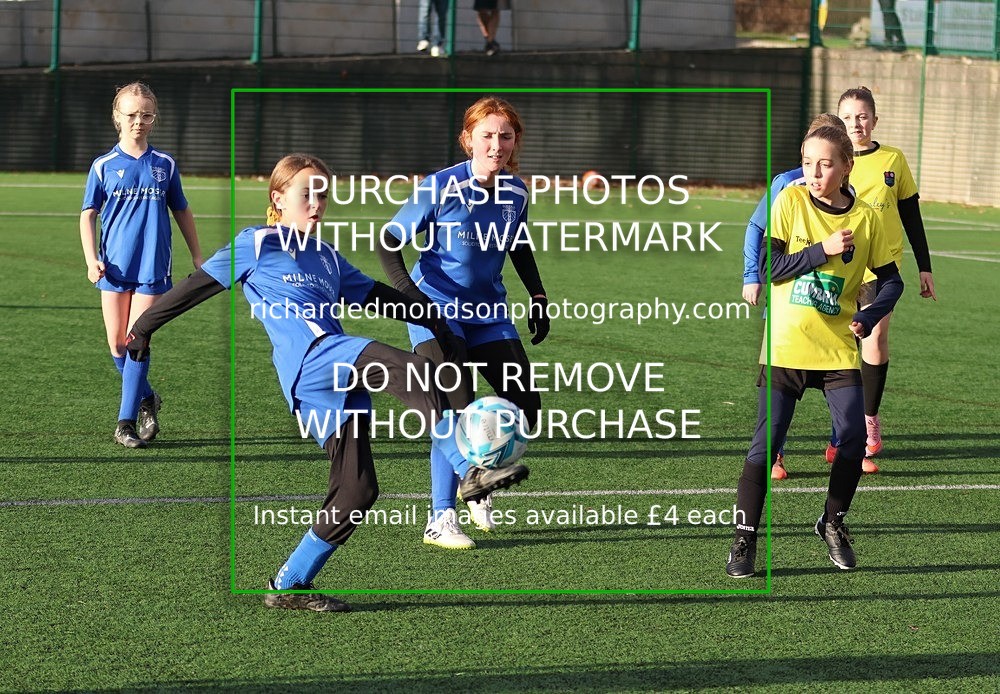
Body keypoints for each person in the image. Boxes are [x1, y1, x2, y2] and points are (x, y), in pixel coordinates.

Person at [125, 153, 530, 612]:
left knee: (358, 491)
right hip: (311, 361)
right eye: (305, 192)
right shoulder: (257, 242)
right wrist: (143, 327)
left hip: (337, 378)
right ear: (278, 198)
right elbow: (198, 285)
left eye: (322, 193)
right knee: (415, 371)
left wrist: (433, 320)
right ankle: (469, 469)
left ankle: (290, 582)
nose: (316, 202)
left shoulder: (327, 257)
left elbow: (378, 296)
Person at [725, 124, 904, 578]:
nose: (814, 172)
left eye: (825, 164)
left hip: (837, 351)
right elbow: (769, 266)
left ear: (847, 167)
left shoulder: (865, 217)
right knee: (766, 446)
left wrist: (869, 314)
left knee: (853, 439)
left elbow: (891, 280)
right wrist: (820, 251)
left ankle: (833, 521)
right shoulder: (789, 201)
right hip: (785, 347)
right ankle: (744, 540)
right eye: (807, 162)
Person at [378, 96, 547, 548]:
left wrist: (538, 294)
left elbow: (518, 244)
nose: (496, 145)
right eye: (487, 135)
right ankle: (441, 517)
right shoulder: (440, 186)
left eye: (505, 136)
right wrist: (413, 299)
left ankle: (481, 477)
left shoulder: (517, 192)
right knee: (454, 408)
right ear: (468, 139)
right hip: (437, 308)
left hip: (489, 311)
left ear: (515, 142)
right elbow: (388, 241)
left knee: (526, 402)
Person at [80, 81, 202, 449]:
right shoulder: (103, 166)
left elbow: (181, 208)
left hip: (153, 265)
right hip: (114, 267)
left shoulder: (165, 165)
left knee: (136, 341)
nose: (139, 121)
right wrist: (91, 260)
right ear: (117, 117)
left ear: (154, 118)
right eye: (132, 115)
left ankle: (125, 422)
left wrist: (197, 255)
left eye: (146, 115)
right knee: (117, 346)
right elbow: (87, 215)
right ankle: (147, 397)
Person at [835, 86, 936, 473]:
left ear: (875, 120)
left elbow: (911, 214)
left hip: (881, 269)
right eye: (847, 117)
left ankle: (869, 423)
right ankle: (839, 431)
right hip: (841, 269)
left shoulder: (894, 159)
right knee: (833, 348)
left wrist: (924, 266)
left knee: (875, 338)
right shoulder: (835, 161)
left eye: (862, 116)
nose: (855, 123)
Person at [741, 113, 847, 481]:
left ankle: (841, 444)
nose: (816, 168)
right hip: (787, 297)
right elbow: (757, 228)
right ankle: (776, 454)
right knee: (781, 378)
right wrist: (751, 276)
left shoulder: (851, 191)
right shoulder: (785, 185)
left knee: (844, 377)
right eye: (810, 157)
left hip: (832, 303)